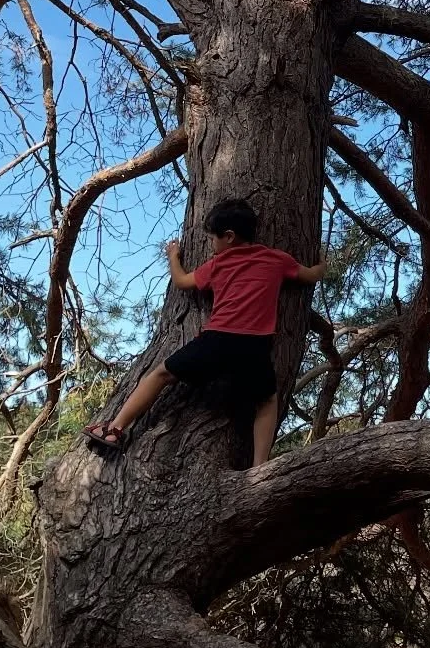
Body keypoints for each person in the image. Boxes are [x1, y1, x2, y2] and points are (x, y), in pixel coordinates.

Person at [85, 198, 326, 465]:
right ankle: (260, 467)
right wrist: (322, 265)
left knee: (161, 374)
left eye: (212, 239)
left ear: (229, 236)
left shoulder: (218, 264)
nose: (211, 244)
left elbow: (182, 281)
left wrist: (173, 257)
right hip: (254, 347)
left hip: (217, 341)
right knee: (267, 401)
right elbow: (311, 275)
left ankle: (115, 427)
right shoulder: (277, 260)